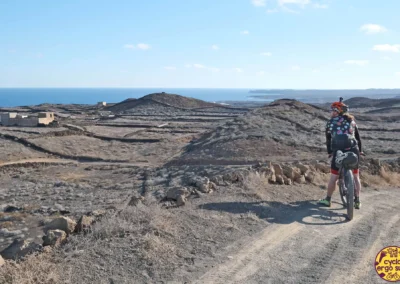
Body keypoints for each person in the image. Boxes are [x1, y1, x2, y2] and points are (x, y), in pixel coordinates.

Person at [318, 98, 364, 209]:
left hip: (338, 151)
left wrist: (330, 152)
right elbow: (358, 138)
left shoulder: (330, 122)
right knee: (356, 176)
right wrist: (360, 151)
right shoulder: (352, 121)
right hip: (353, 149)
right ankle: (357, 201)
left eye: (332, 110)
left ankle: (328, 200)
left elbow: (328, 139)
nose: (331, 112)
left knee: (334, 177)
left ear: (337, 111)